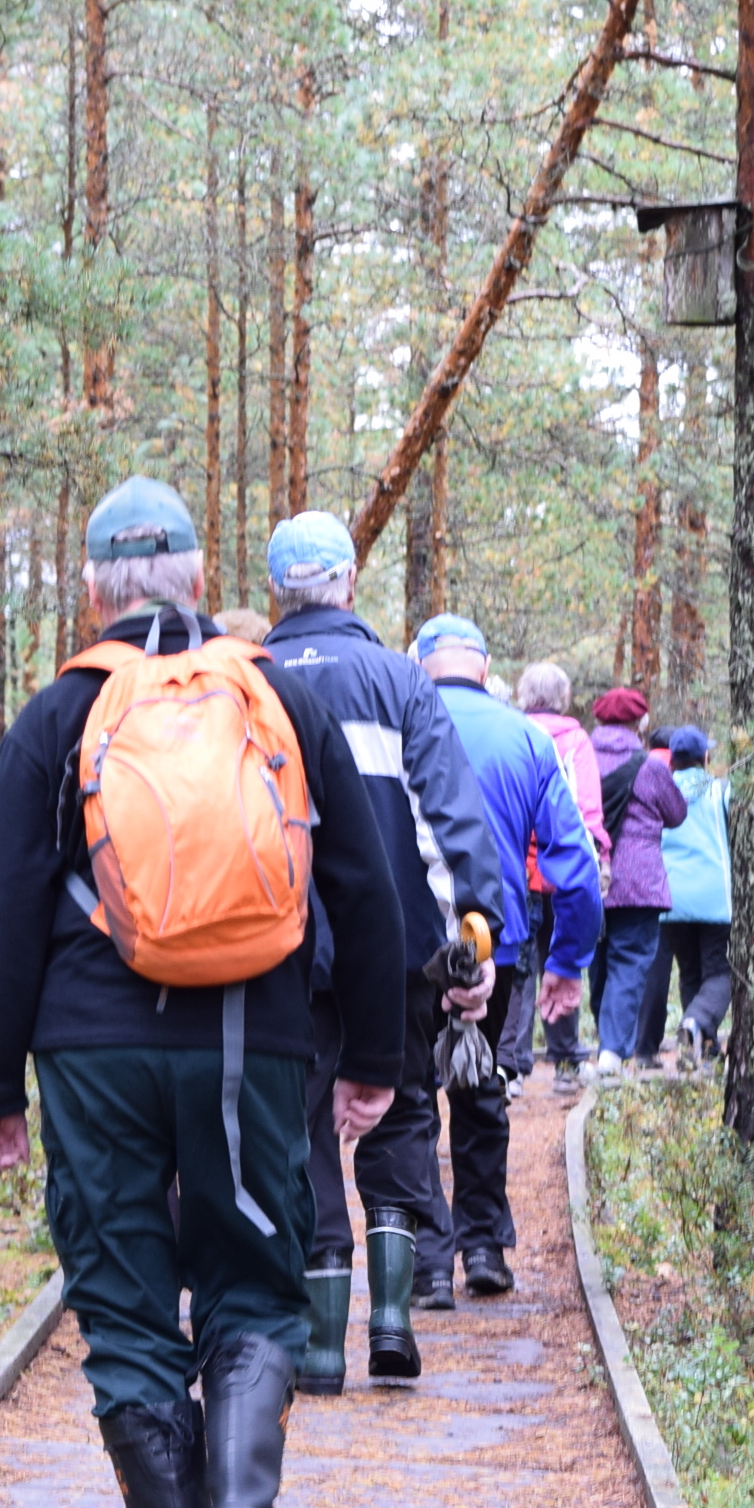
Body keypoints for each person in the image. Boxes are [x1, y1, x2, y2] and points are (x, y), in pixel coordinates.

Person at [0, 476, 406, 1508]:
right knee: (252, 1281)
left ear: (95, 588)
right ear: (206, 581)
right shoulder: (273, 699)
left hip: (94, 1047)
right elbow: (362, 885)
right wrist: (373, 1060)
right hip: (251, 1039)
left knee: (124, 1298)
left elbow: (1, 909)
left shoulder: (60, 715)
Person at [257, 510, 504, 1389]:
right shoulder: (403, 682)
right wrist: (473, 945)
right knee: (400, 1112)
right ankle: (393, 1317)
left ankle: (320, 1347)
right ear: (351, 585)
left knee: (298, 1129)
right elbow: (454, 828)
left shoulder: (247, 681)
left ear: (273, 592)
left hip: (271, 954)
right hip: (394, 948)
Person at [412, 615, 601, 1300]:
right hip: (496, 942)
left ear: (419, 663)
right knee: (480, 1092)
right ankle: (484, 1248)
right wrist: (568, 959)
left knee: (411, 1103)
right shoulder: (528, 738)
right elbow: (574, 864)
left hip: (407, 941)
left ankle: (426, 1265)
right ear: (486, 667)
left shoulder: (401, 727)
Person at [583, 688, 688, 1076]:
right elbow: (676, 814)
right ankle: (611, 1051)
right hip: (638, 882)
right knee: (628, 963)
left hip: (588, 877)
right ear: (641, 722)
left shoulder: (582, 759)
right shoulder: (650, 766)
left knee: (597, 964)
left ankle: (606, 1042)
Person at [515, 662, 606, 1098]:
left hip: (518, 868)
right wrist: (596, 854)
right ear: (563, 695)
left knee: (519, 962)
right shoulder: (575, 739)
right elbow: (587, 806)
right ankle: (565, 1062)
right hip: (563, 867)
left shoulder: (510, 731)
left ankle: (509, 1066)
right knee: (562, 958)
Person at [643, 725, 732, 1071]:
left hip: (670, 898)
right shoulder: (719, 791)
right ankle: (696, 1021)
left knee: (691, 973)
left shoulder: (658, 791)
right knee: (722, 971)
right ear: (704, 758)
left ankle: (701, 1051)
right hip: (713, 898)